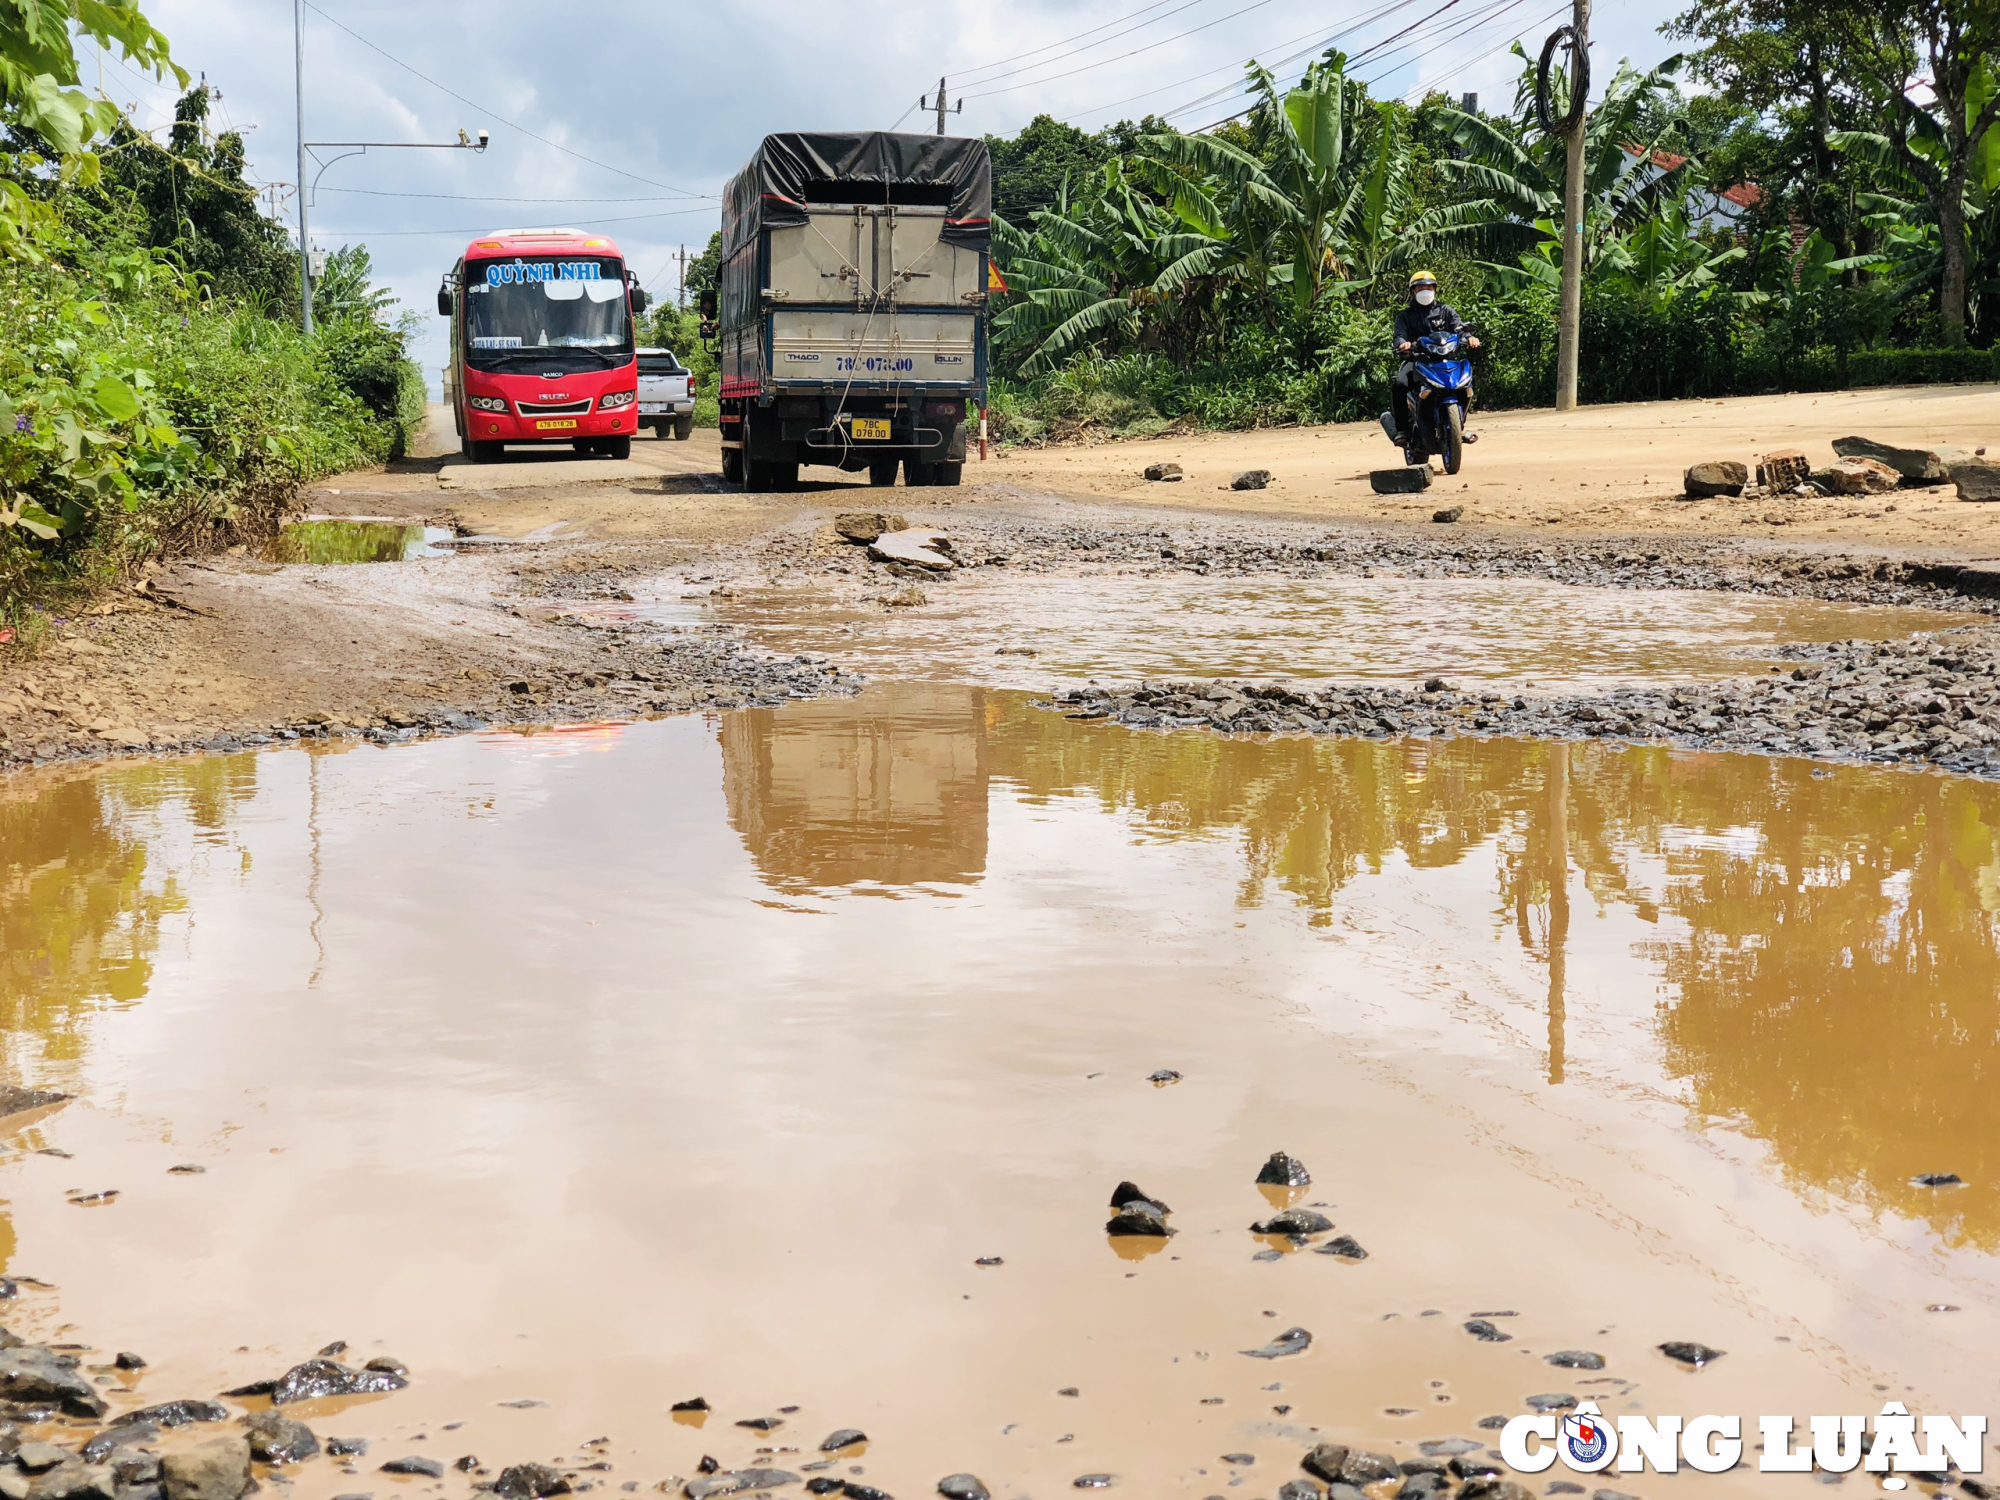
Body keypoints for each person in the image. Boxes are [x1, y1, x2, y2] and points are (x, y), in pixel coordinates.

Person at [1388, 270, 1479, 459]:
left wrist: (1469, 338)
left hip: (1444, 360)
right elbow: (1399, 336)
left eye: (1428, 287)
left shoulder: (1445, 311)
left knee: (1464, 384)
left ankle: (1458, 425)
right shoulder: (1405, 315)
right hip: (1417, 361)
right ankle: (1402, 431)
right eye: (1420, 288)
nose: (1425, 291)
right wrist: (1402, 344)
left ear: (1435, 289)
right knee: (1400, 384)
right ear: (1413, 291)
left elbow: (1459, 328)